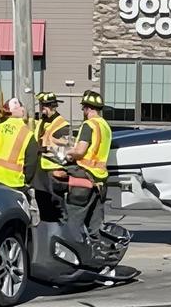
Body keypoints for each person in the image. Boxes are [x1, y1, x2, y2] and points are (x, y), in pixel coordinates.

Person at [65, 90, 111, 237]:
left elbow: (80, 151)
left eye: (83, 108)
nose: (83, 111)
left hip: (84, 177)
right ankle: (97, 254)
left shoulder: (89, 125)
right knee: (95, 224)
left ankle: (73, 253)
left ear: (88, 108)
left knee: (74, 219)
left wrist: (68, 153)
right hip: (101, 179)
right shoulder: (105, 126)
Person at [0, 97, 40, 191]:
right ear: (21, 110)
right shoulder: (27, 134)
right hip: (14, 183)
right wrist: (27, 182)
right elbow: (31, 163)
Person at [34, 92, 70, 169]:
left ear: (52, 106)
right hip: (39, 164)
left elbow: (65, 150)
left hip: (52, 166)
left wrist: (46, 149)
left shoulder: (62, 125)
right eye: (41, 105)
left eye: (44, 105)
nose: (41, 107)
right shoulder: (42, 121)